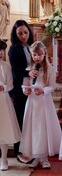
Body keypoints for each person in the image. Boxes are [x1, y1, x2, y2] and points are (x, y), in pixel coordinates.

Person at [19, 41, 62, 169]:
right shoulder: (28, 69)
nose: (37, 57)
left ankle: (44, 157)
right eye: (34, 55)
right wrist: (25, 90)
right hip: (32, 102)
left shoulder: (50, 69)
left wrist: (43, 90)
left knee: (43, 128)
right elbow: (25, 84)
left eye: (39, 54)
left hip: (44, 102)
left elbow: (52, 86)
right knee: (33, 128)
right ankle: (35, 156)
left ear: (44, 54)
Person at [8, 20, 37, 164]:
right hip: (19, 88)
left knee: (29, 119)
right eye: (20, 33)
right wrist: (28, 72)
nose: (23, 36)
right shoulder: (13, 49)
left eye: (25, 32)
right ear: (15, 34)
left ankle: (30, 148)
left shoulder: (32, 46)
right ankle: (18, 151)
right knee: (20, 119)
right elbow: (16, 70)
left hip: (32, 87)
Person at [0, 39, 21, 171]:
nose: (1, 52)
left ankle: (4, 158)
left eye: (2, 50)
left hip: (3, 99)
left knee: (4, 129)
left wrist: (3, 87)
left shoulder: (6, 66)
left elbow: (11, 84)